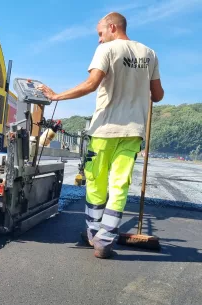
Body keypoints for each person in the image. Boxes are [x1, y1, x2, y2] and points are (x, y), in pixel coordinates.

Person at [36, 12, 164, 259]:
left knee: (96, 182)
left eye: (100, 33)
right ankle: (105, 241)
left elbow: (91, 84)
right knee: (119, 185)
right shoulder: (150, 53)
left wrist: (56, 96)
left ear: (112, 27)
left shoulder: (107, 50)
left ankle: (93, 233)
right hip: (133, 132)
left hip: (105, 129)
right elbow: (157, 95)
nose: (99, 39)